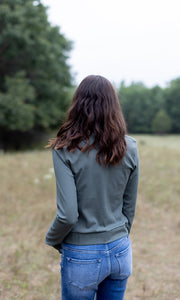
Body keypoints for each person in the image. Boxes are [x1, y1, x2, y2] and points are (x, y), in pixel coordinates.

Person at [45, 75, 139, 300]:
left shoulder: (64, 149)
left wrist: (52, 239)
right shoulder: (131, 147)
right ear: (113, 106)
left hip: (81, 255)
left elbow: (68, 215)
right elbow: (129, 207)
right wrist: (118, 236)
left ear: (77, 104)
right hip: (120, 250)